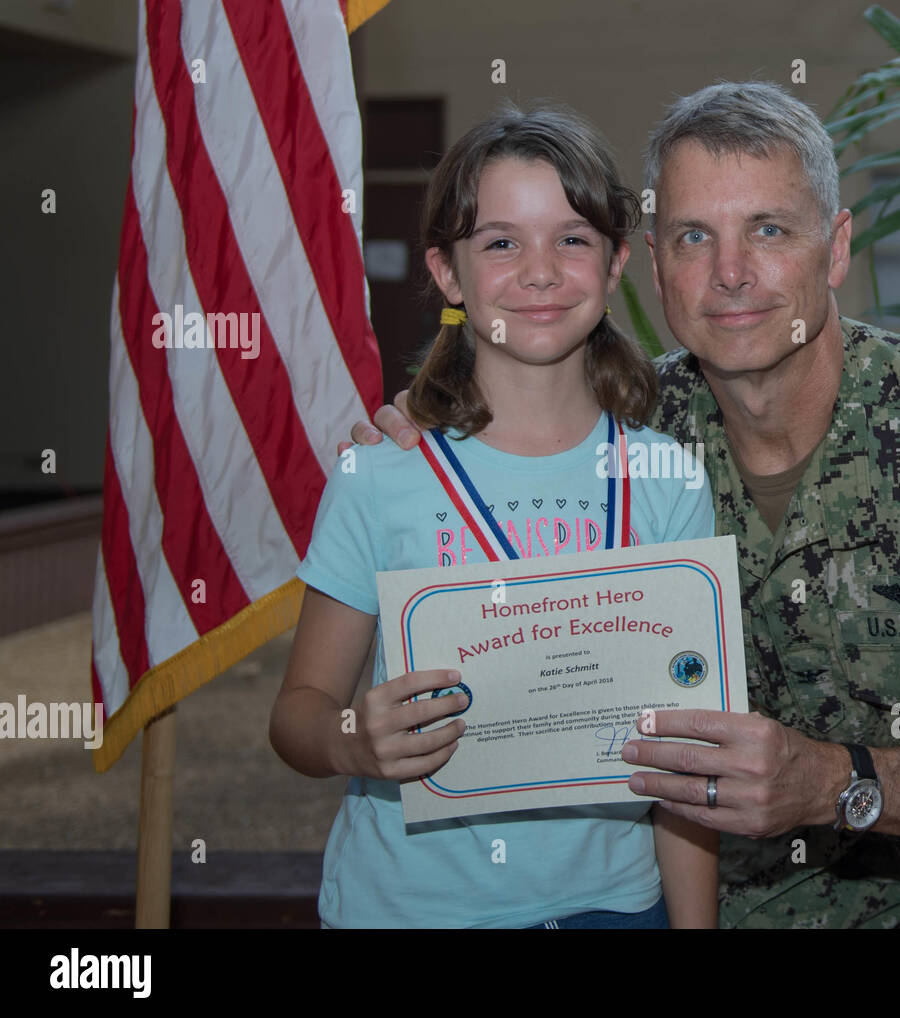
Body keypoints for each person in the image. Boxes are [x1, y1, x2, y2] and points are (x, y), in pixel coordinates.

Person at [350, 82, 900, 929]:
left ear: (835, 250)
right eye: (696, 237)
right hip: (766, 889)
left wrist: (833, 783)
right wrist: (419, 433)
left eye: (769, 230)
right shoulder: (618, 440)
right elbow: (485, 456)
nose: (731, 274)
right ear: (655, 265)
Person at [270, 102, 718, 929]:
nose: (540, 273)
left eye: (572, 239)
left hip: (613, 906)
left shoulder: (666, 478)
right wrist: (351, 742)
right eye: (501, 242)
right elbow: (298, 711)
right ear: (446, 272)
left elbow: (689, 753)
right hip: (406, 909)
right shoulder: (381, 472)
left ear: (617, 261)